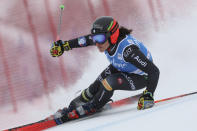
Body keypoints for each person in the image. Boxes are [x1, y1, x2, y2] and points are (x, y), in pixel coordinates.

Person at [49, 16, 160, 123]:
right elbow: (84, 40)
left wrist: (148, 94)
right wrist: (64, 46)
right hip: (122, 67)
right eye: (95, 38)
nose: (97, 43)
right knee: (93, 88)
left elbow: (154, 71)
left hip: (142, 77)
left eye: (99, 39)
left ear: (112, 36)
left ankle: (94, 106)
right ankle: (72, 107)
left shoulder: (128, 51)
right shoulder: (104, 40)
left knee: (109, 82)